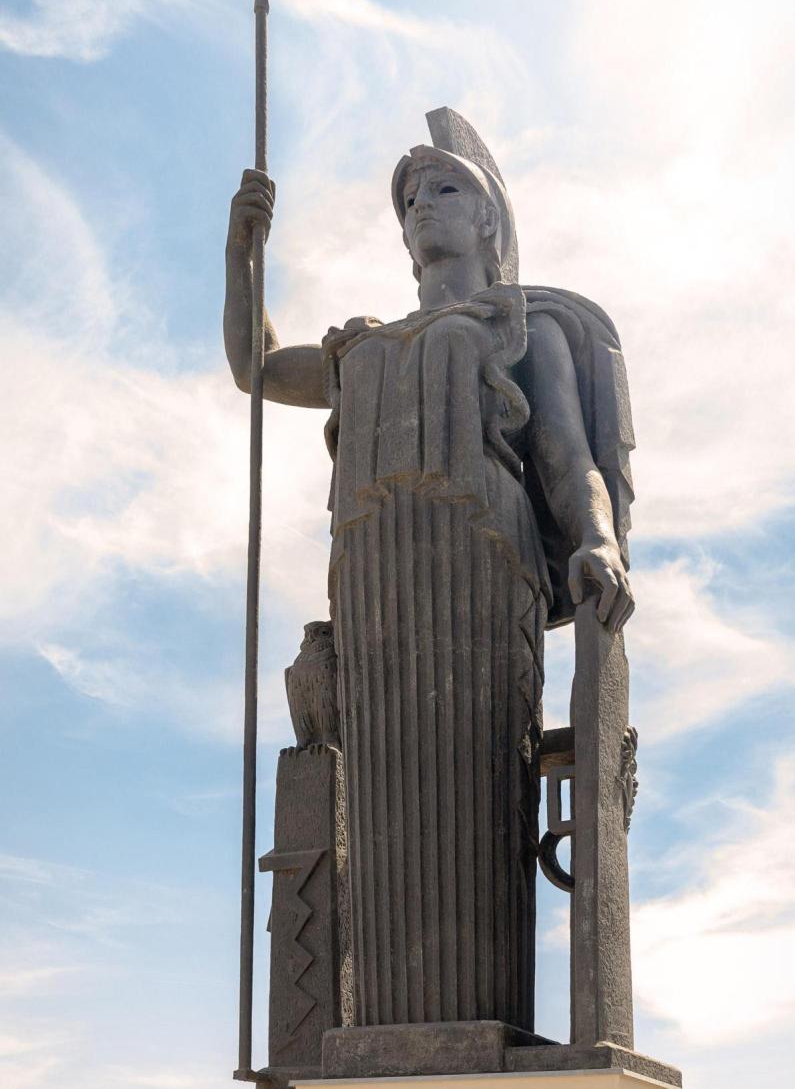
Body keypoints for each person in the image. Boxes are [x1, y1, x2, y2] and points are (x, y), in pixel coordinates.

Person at [224, 114, 634, 1033]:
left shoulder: (519, 327)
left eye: (443, 189)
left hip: (480, 570)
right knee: (377, 815)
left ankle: (478, 1030)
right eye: (410, 198)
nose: (420, 208)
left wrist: (597, 539)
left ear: (490, 220)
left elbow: (568, 461)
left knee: (477, 797)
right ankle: (371, 1038)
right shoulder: (362, 344)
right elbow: (254, 366)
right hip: (370, 579)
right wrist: (241, 256)